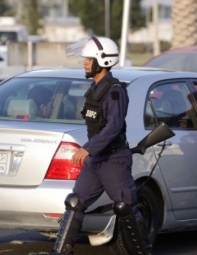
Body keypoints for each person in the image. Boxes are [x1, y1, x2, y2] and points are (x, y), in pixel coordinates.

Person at [37, 36, 151, 255]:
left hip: (113, 159)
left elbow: (114, 126)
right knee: (74, 203)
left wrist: (88, 147)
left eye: (89, 59)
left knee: (125, 207)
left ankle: (142, 252)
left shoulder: (115, 91)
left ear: (103, 61)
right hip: (95, 161)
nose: (85, 63)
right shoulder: (94, 89)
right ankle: (61, 252)